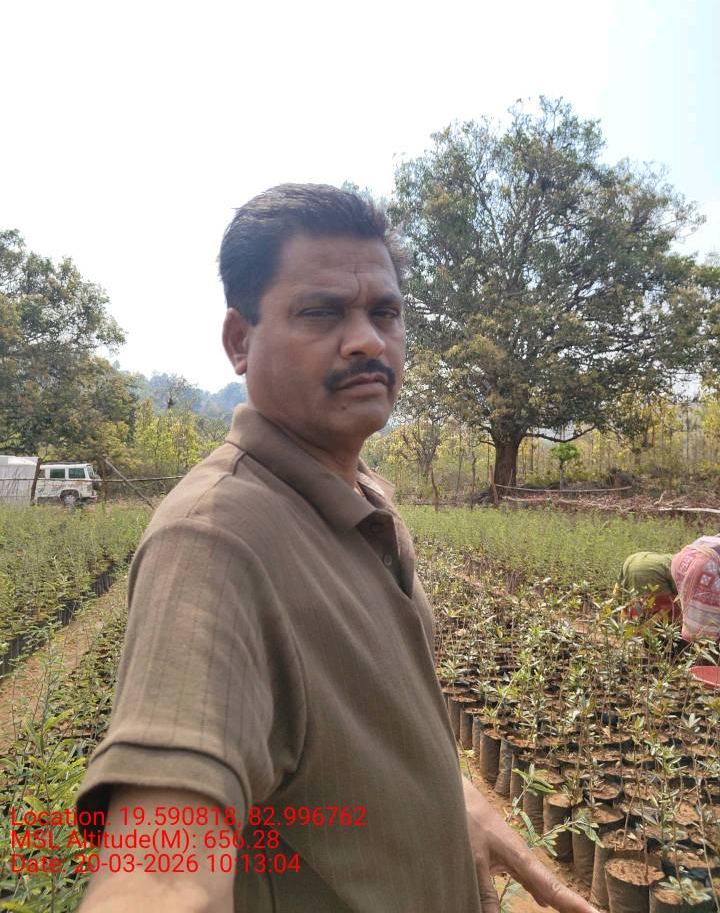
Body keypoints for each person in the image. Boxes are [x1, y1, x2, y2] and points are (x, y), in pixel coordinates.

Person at [76, 185, 598, 913]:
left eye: (385, 312)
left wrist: (452, 798)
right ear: (239, 340)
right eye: (322, 312)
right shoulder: (214, 539)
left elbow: (367, 723)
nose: (367, 341)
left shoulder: (367, 498)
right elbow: (162, 870)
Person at [670, 535, 720, 644]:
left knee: (693, 609)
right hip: (706, 566)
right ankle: (705, 647)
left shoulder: (714, 538)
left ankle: (690, 645)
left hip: (683, 558)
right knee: (711, 616)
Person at [616, 551, 680, 620]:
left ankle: (632, 621)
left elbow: (617, 590)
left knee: (637, 606)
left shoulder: (670, 560)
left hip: (632, 560)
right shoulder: (677, 564)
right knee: (666, 609)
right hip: (654, 571)